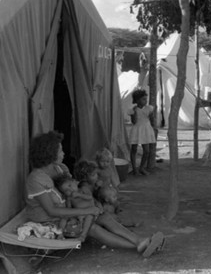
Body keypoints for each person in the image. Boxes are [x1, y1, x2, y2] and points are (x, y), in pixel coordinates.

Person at [26, 131, 164, 257]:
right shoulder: (36, 178)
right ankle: (138, 246)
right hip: (52, 221)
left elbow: (76, 192)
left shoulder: (60, 169)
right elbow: (52, 210)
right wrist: (86, 210)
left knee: (104, 216)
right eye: (60, 151)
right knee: (93, 228)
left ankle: (139, 241)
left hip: (69, 212)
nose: (63, 154)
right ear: (49, 153)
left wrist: (93, 204)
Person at [54, 174, 97, 242]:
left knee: (89, 217)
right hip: (79, 214)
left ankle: (83, 235)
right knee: (64, 218)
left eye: (70, 185)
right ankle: (60, 234)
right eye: (66, 190)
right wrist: (71, 218)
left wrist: (79, 195)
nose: (70, 190)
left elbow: (90, 197)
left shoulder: (83, 189)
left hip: (91, 212)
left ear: (74, 182)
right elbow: (69, 209)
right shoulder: (69, 198)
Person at [128, 89, 156, 176]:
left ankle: (141, 168)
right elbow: (134, 122)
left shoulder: (149, 108)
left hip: (146, 130)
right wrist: (135, 112)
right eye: (143, 99)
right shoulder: (132, 109)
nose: (146, 101)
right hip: (137, 129)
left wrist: (152, 118)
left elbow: (152, 121)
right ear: (137, 100)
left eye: (146, 99)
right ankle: (134, 169)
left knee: (146, 151)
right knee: (134, 149)